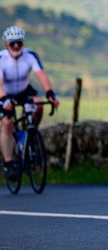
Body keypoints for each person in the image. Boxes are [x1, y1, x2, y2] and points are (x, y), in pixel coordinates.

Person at [0, 26, 60, 182]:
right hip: (4, 93)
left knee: (39, 103)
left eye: (19, 43)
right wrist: (5, 99)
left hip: (24, 90)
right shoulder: (1, 59)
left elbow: (41, 75)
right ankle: (9, 163)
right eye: (12, 43)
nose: (15, 46)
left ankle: (31, 134)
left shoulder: (30, 56)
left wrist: (50, 93)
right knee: (7, 123)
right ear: (6, 44)